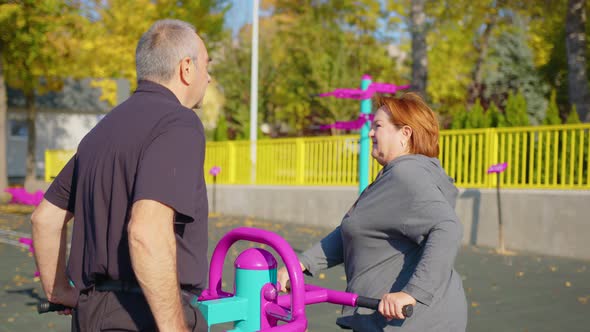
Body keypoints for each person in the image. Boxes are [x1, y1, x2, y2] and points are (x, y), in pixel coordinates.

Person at [30, 19, 211, 332]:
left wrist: (58, 291)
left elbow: (45, 218)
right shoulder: (179, 123)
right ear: (186, 68)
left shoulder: (103, 130)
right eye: (207, 67)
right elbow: (146, 232)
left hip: (89, 315)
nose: (208, 78)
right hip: (141, 317)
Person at [278, 93, 467, 331]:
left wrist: (412, 293)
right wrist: (301, 263)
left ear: (405, 134)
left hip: (413, 321)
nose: (370, 133)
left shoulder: (406, 176)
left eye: (378, 126)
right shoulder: (396, 175)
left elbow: (447, 228)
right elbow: (354, 229)